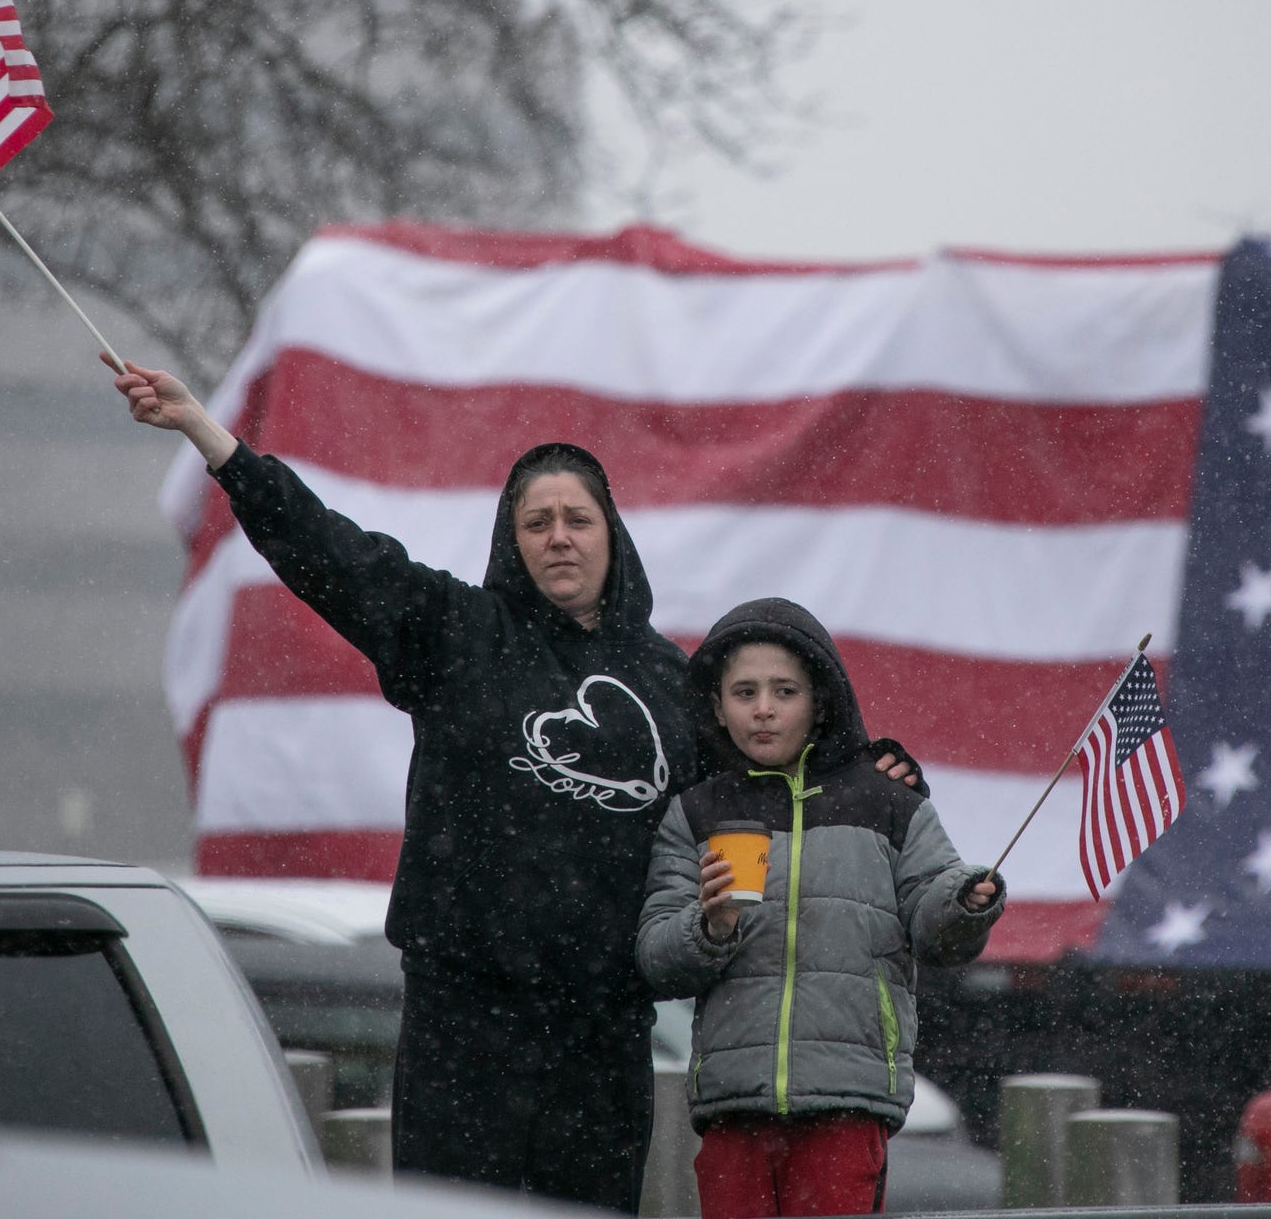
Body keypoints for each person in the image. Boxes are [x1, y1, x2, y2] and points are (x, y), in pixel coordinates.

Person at [107, 358, 918, 1209]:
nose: (558, 536)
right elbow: (331, 553)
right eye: (537, 522)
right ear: (513, 540)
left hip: (601, 1038)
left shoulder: (678, 688)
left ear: (612, 535)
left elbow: (772, 776)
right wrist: (213, 440)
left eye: (577, 519)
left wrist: (867, 771)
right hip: (463, 1026)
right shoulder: (457, 637)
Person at [636, 597, 1005, 1219]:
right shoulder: (693, 811)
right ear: (718, 709)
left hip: (850, 1099)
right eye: (743, 691)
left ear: (819, 702)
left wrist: (966, 901)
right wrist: (710, 926)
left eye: (785, 691)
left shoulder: (888, 802)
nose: (763, 709)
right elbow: (657, 957)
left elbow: (937, 921)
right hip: (734, 1104)